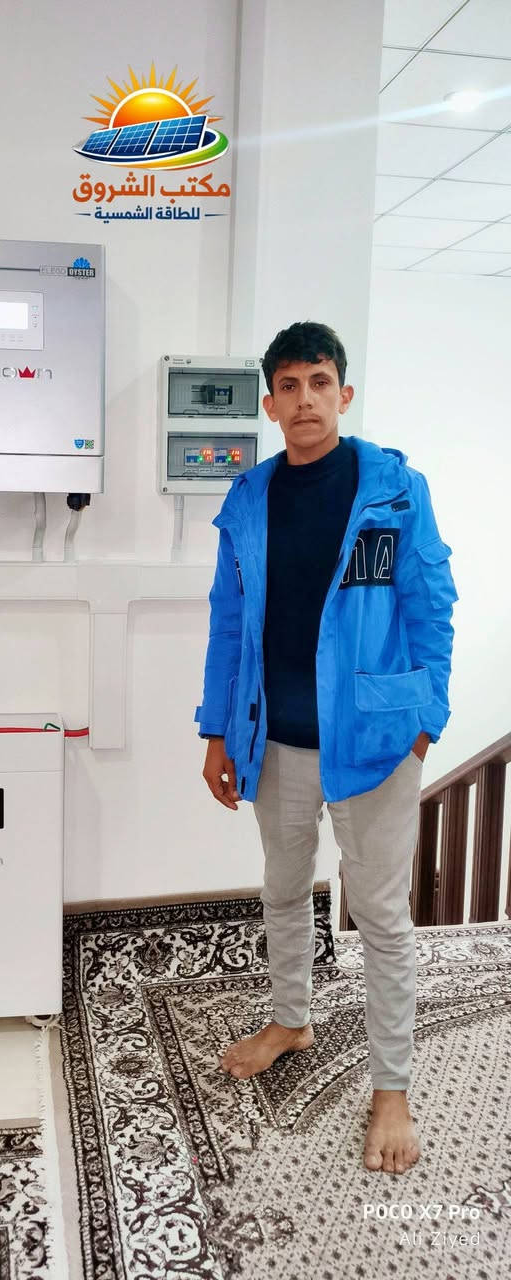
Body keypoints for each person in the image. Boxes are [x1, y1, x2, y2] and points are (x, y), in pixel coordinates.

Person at [194, 320, 458, 1175]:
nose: (304, 400)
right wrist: (215, 730)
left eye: (319, 382)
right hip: (272, 740)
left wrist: (426, 718)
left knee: (379, 915)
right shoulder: (248, 499)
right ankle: (291, 1020)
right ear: (269, 404)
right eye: (289, 386)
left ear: (343, 394)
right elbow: (228, 623)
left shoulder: (395, 491)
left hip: (376, 740)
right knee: (282, 888)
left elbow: (432, 605)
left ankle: (392, 1089)